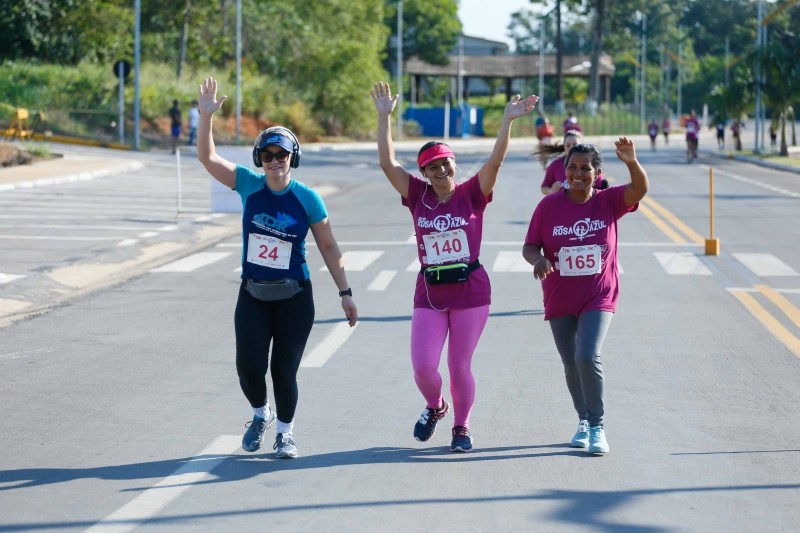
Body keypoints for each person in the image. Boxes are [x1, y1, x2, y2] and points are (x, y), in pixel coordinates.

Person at [371, 80, 538, 453]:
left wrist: (507, 121)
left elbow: (495, 162)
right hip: (430, 292)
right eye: (431, 167)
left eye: (444, 162)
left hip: (471, 291)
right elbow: (387, 163)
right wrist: (384, 118)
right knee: (423, 367)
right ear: (425, 173)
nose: (440, 170)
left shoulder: (472, 194)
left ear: (453, 163)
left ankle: (461, 427)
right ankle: (436, 406)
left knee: (459, 365)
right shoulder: (417, 196)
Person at [196, 76, 358, 459]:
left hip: (294, 297)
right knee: (248, 368)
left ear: (292, 158)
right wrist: (206, 116)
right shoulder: (249, 185)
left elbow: (329, 246)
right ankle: (261, 413)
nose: (273, 162)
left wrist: (346, 293)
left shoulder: (308, 199)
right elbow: (207, 158)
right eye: (267, 155)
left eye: (281, 155)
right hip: (253, 293)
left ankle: (285, 433)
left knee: (283, 371)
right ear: (259, 159)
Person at [522, 137, 649, 455]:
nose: (578, 174)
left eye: (585, 169)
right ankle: (583, 419)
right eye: (573, 167)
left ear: (597, 173)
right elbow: (530, 245)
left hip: (598, 293)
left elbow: (640, 189)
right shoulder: (548, 206)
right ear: (564, 169)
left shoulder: (609, 201)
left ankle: (597, 425)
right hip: (559, 294)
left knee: (587, 356)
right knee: (570, 365)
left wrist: (632, 162)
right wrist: (538, 260)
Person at [534, 129, 608, 195]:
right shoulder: (555, 165)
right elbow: (544, 188)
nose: (571, 148)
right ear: (564, 146)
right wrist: (551, 191)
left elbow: (602, 187)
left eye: (575, 145)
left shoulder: (590, 165)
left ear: (581, 145)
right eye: (568, 145)